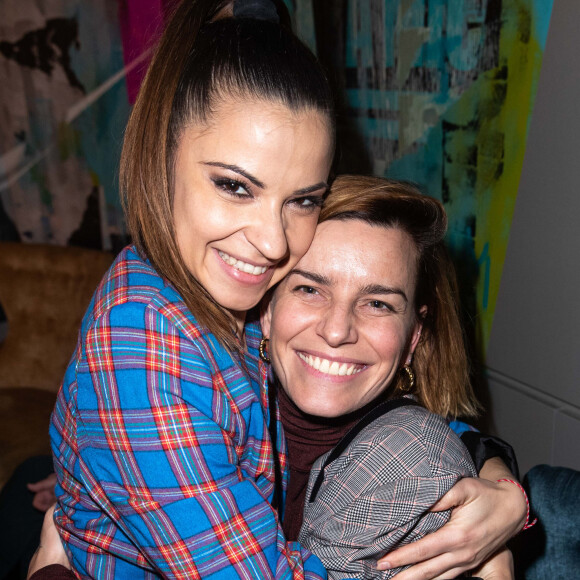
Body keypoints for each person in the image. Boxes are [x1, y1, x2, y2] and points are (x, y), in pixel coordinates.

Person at [27, 1, 528, 578]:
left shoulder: (221, 297)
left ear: (416, 332)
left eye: (302, 200)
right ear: (159, 156)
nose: (271, 243)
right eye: (234, 186)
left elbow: (387, 425)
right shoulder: (146, 348)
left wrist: (500, 481)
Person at [260, 175, 522, 578]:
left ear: (413, 337)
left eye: (378, 303)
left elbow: (439, 440)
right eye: (310, 289)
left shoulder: (408, 472)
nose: (336, 330)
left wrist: (506, 496)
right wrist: (511, 493)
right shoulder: (200, 391)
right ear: (267, 309)